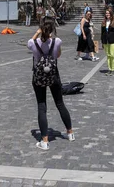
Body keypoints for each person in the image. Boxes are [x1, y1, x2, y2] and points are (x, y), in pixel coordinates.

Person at [28, 18, 75, 150]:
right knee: (60, 103)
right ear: (52, 30)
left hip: (39, 77)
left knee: (42, 106)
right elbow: (58, 55)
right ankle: (70, 133)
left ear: (41, 28)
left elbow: (29, 43)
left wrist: (37, 33)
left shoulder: (34, 43)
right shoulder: (57, 41)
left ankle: (44, 141)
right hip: (54, 75)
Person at [101, 8, 114, 75]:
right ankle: (109, 69)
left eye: (108, 13)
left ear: (111, 14)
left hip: (112, 41)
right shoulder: (104, 22)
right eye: (106, 13)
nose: (107, 14)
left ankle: (113, 69)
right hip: (105, 41)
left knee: (112, 55)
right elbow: (102, 33)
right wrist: (102, 42)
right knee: (108, 55)